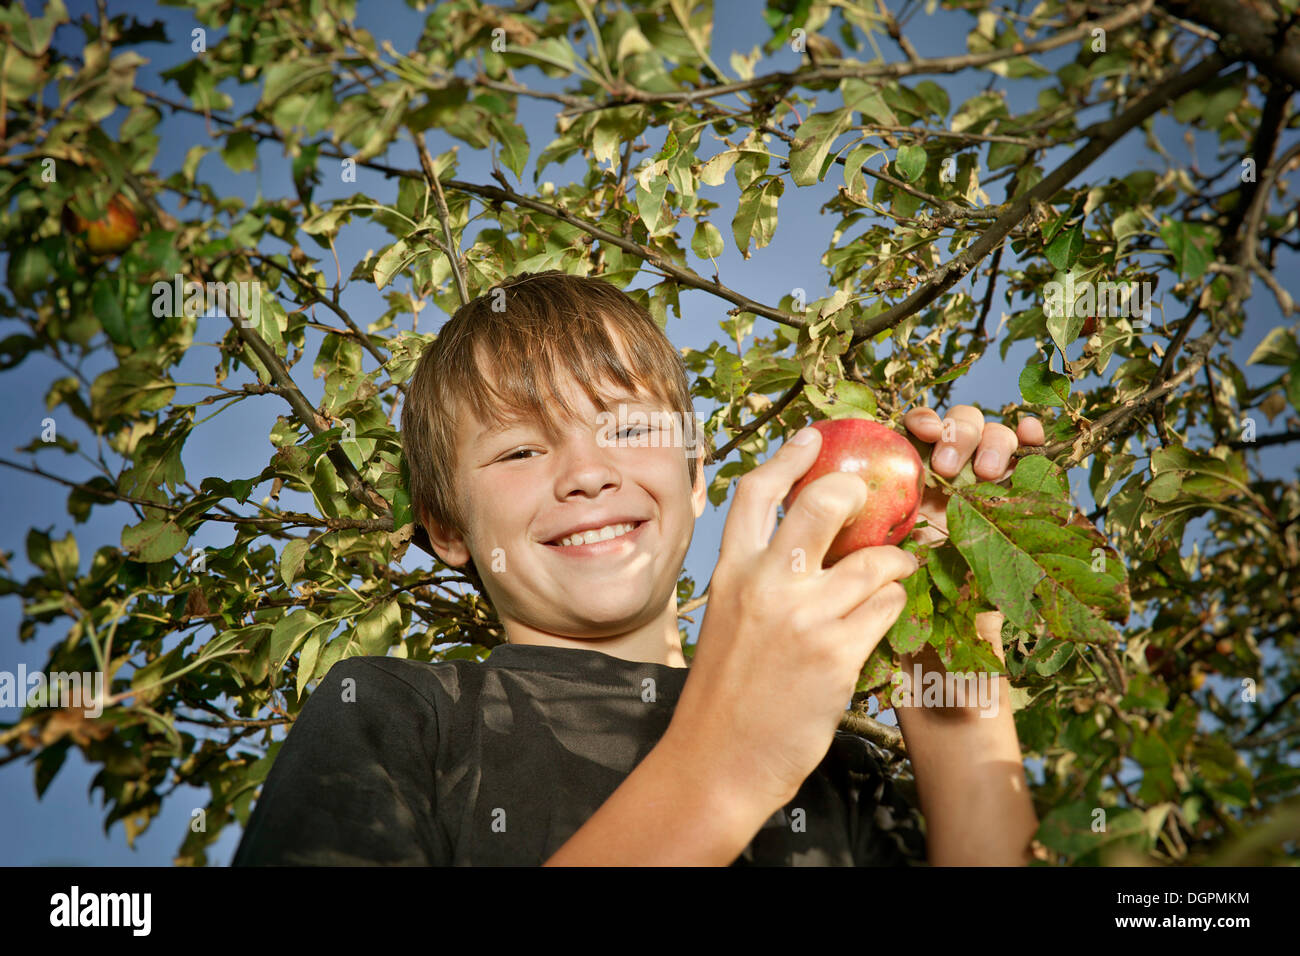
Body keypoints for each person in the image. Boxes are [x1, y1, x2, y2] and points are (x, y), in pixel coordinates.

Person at [232, 271, 1042, 866]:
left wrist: (952, 686)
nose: (586, 473)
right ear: (446, 527)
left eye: (625, 430)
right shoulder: (397, 717)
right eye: (519, 449)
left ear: (696, 479)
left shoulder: (841, 771)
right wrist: (728, 767)